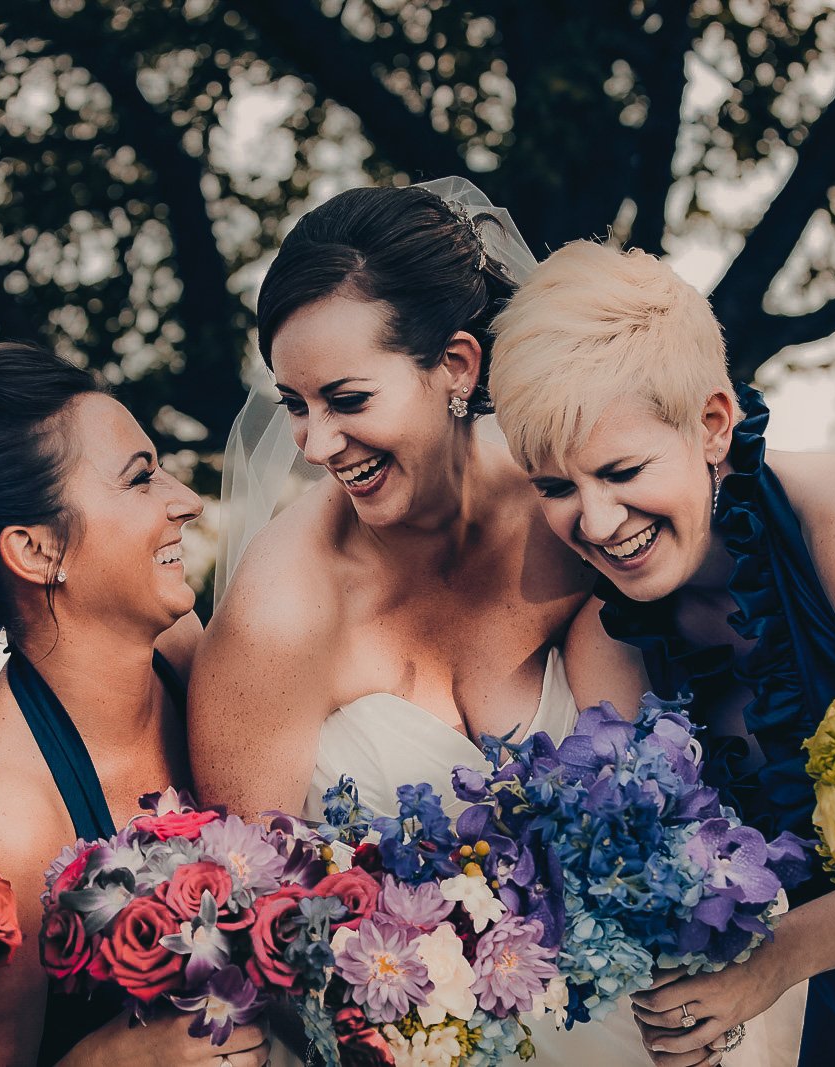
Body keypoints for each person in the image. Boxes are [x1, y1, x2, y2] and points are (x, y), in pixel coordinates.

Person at [489, 240, 835, 1067]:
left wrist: (773, 960)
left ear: (714, 423)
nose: (597, 523)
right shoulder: (613, 636)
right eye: (558, 488)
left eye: (623, 469)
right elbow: (641, 865)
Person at [188, 181, 650, 1061]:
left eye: (347, 399)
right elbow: (261, 922)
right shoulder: (281, 609)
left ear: (458, 368)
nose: (315, 445)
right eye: (294, 404)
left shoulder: (574, 510)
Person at [0, 342, 269, 1067]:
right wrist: (114, 1060)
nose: (184, 500)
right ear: (35, 551)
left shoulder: (185, 649)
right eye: (140, 478)